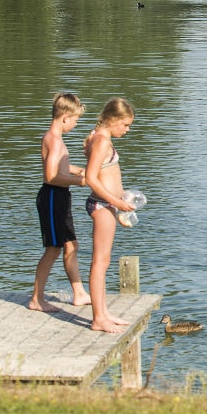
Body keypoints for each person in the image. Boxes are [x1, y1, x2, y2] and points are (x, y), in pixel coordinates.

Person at [30, 92, 92, 313]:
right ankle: (37, 298)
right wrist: (80, 181)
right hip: (53, 196)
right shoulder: (55, 141)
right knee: (53, 249)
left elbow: (60, 168)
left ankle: (79, 293)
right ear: (65, 117)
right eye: (75, 120)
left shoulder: (53, 138)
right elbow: (50, 176)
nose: (75, 124)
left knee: (71, 245)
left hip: (59, 197)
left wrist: (81, 171)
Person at [83, 97, 137, 334]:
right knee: (100, 263)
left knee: (103, 263)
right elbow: (91, 178)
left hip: (109, 205)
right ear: (113, 120)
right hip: (102, 206)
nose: (127, 130)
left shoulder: (99, 137)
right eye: (125, 125)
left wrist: (121, 197)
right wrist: (115, 201)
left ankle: (103, 312)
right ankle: (98, 319)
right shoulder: (102, 141)